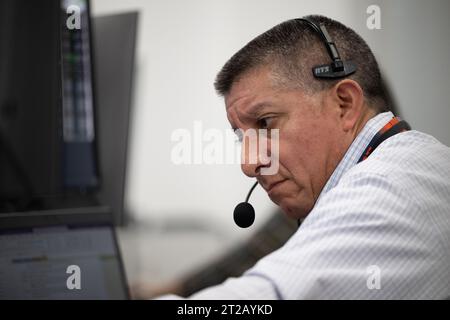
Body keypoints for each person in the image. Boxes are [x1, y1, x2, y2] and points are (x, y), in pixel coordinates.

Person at [158, 15, 450, 299]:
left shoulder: (391, 188)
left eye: (265, 123)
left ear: (344, 104)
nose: (248, 165)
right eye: (240, 137)